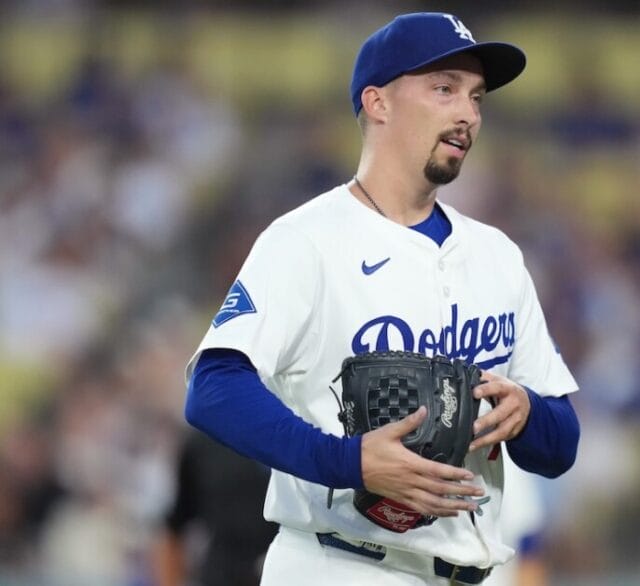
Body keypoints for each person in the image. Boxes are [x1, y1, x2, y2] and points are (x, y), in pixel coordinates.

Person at [184, 12, 581, 585]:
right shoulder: (306, 240)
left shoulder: (497, 255)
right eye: (444, 89)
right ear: (378, 103)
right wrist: (346, 461)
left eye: (475, 97)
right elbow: (214, 388)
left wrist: (529, 413)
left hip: (472, 572)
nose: (468, 113)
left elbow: (560, 444)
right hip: (340, 563)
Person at [152, 429, 277, 586]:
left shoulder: (299, 432)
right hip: (225, 574)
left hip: (291, 571)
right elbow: (174, 527)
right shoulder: (206, 439)